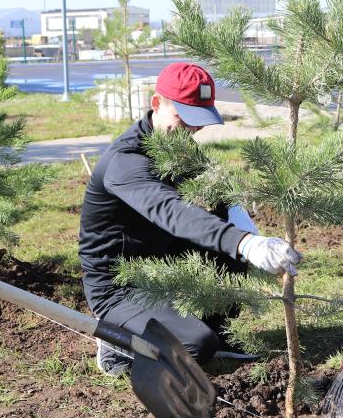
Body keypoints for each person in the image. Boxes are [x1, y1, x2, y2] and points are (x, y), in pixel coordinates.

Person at [78, 62, 302, 375]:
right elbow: (171, 212)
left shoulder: (178, 148)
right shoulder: (125, 162)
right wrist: (245, 243)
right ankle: (117, 342)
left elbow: (214, 191)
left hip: (163, 267)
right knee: (197, 346)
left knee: (231, 248)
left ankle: (214, 327)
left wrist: (241, 220)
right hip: (120, 286)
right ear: (157, 104)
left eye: (199, 121)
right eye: (185, 118)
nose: (193, 130)